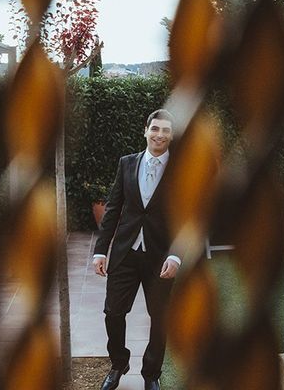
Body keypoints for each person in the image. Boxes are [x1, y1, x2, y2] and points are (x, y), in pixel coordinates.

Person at [93, 109, 180, 390]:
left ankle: (151, 374)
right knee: (113, 313)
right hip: (125, 254)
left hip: (160, 258)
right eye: (155, 129)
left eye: (166, 130)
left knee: (159, 318)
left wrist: (176, 255)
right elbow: (113, 209)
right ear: (145, 131)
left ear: (171, 135)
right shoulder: (127, 164)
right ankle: (119, 364)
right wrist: (100, 250)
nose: (160, 135)